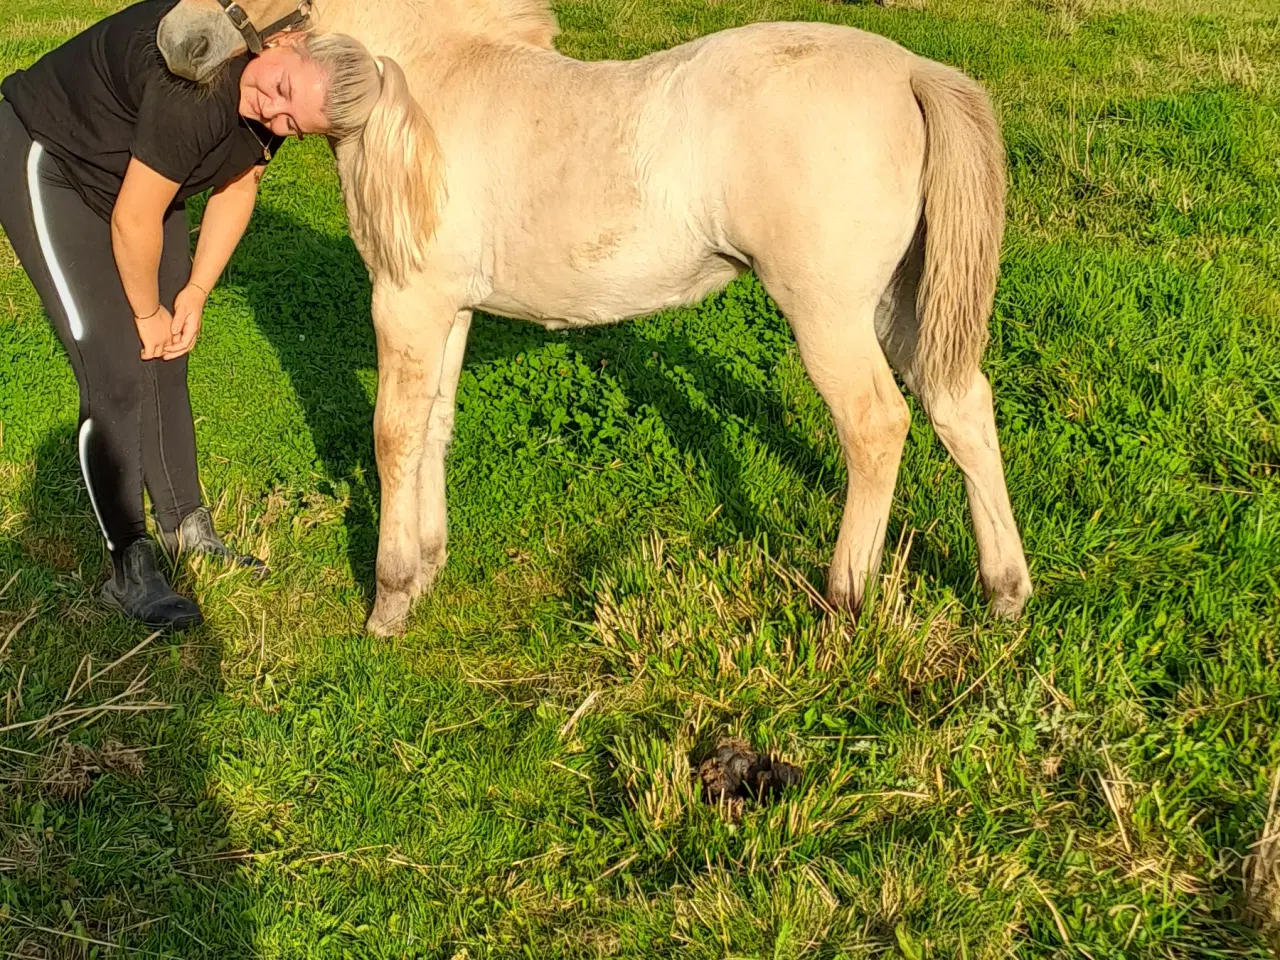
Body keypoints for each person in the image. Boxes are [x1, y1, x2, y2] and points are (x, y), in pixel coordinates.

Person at [0, 0, 385, 631]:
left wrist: (196, 293)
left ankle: (186, 527)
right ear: (281, 43)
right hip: (54, 161)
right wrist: (147, 310)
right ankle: (130, 565)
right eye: (281, 89)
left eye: (295, 122)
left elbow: (240, 185)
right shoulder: (200, 87)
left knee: (170, 353)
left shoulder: (278, 100)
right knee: (118, 371)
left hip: (144, 181)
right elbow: (132, 220)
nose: (274, 111)